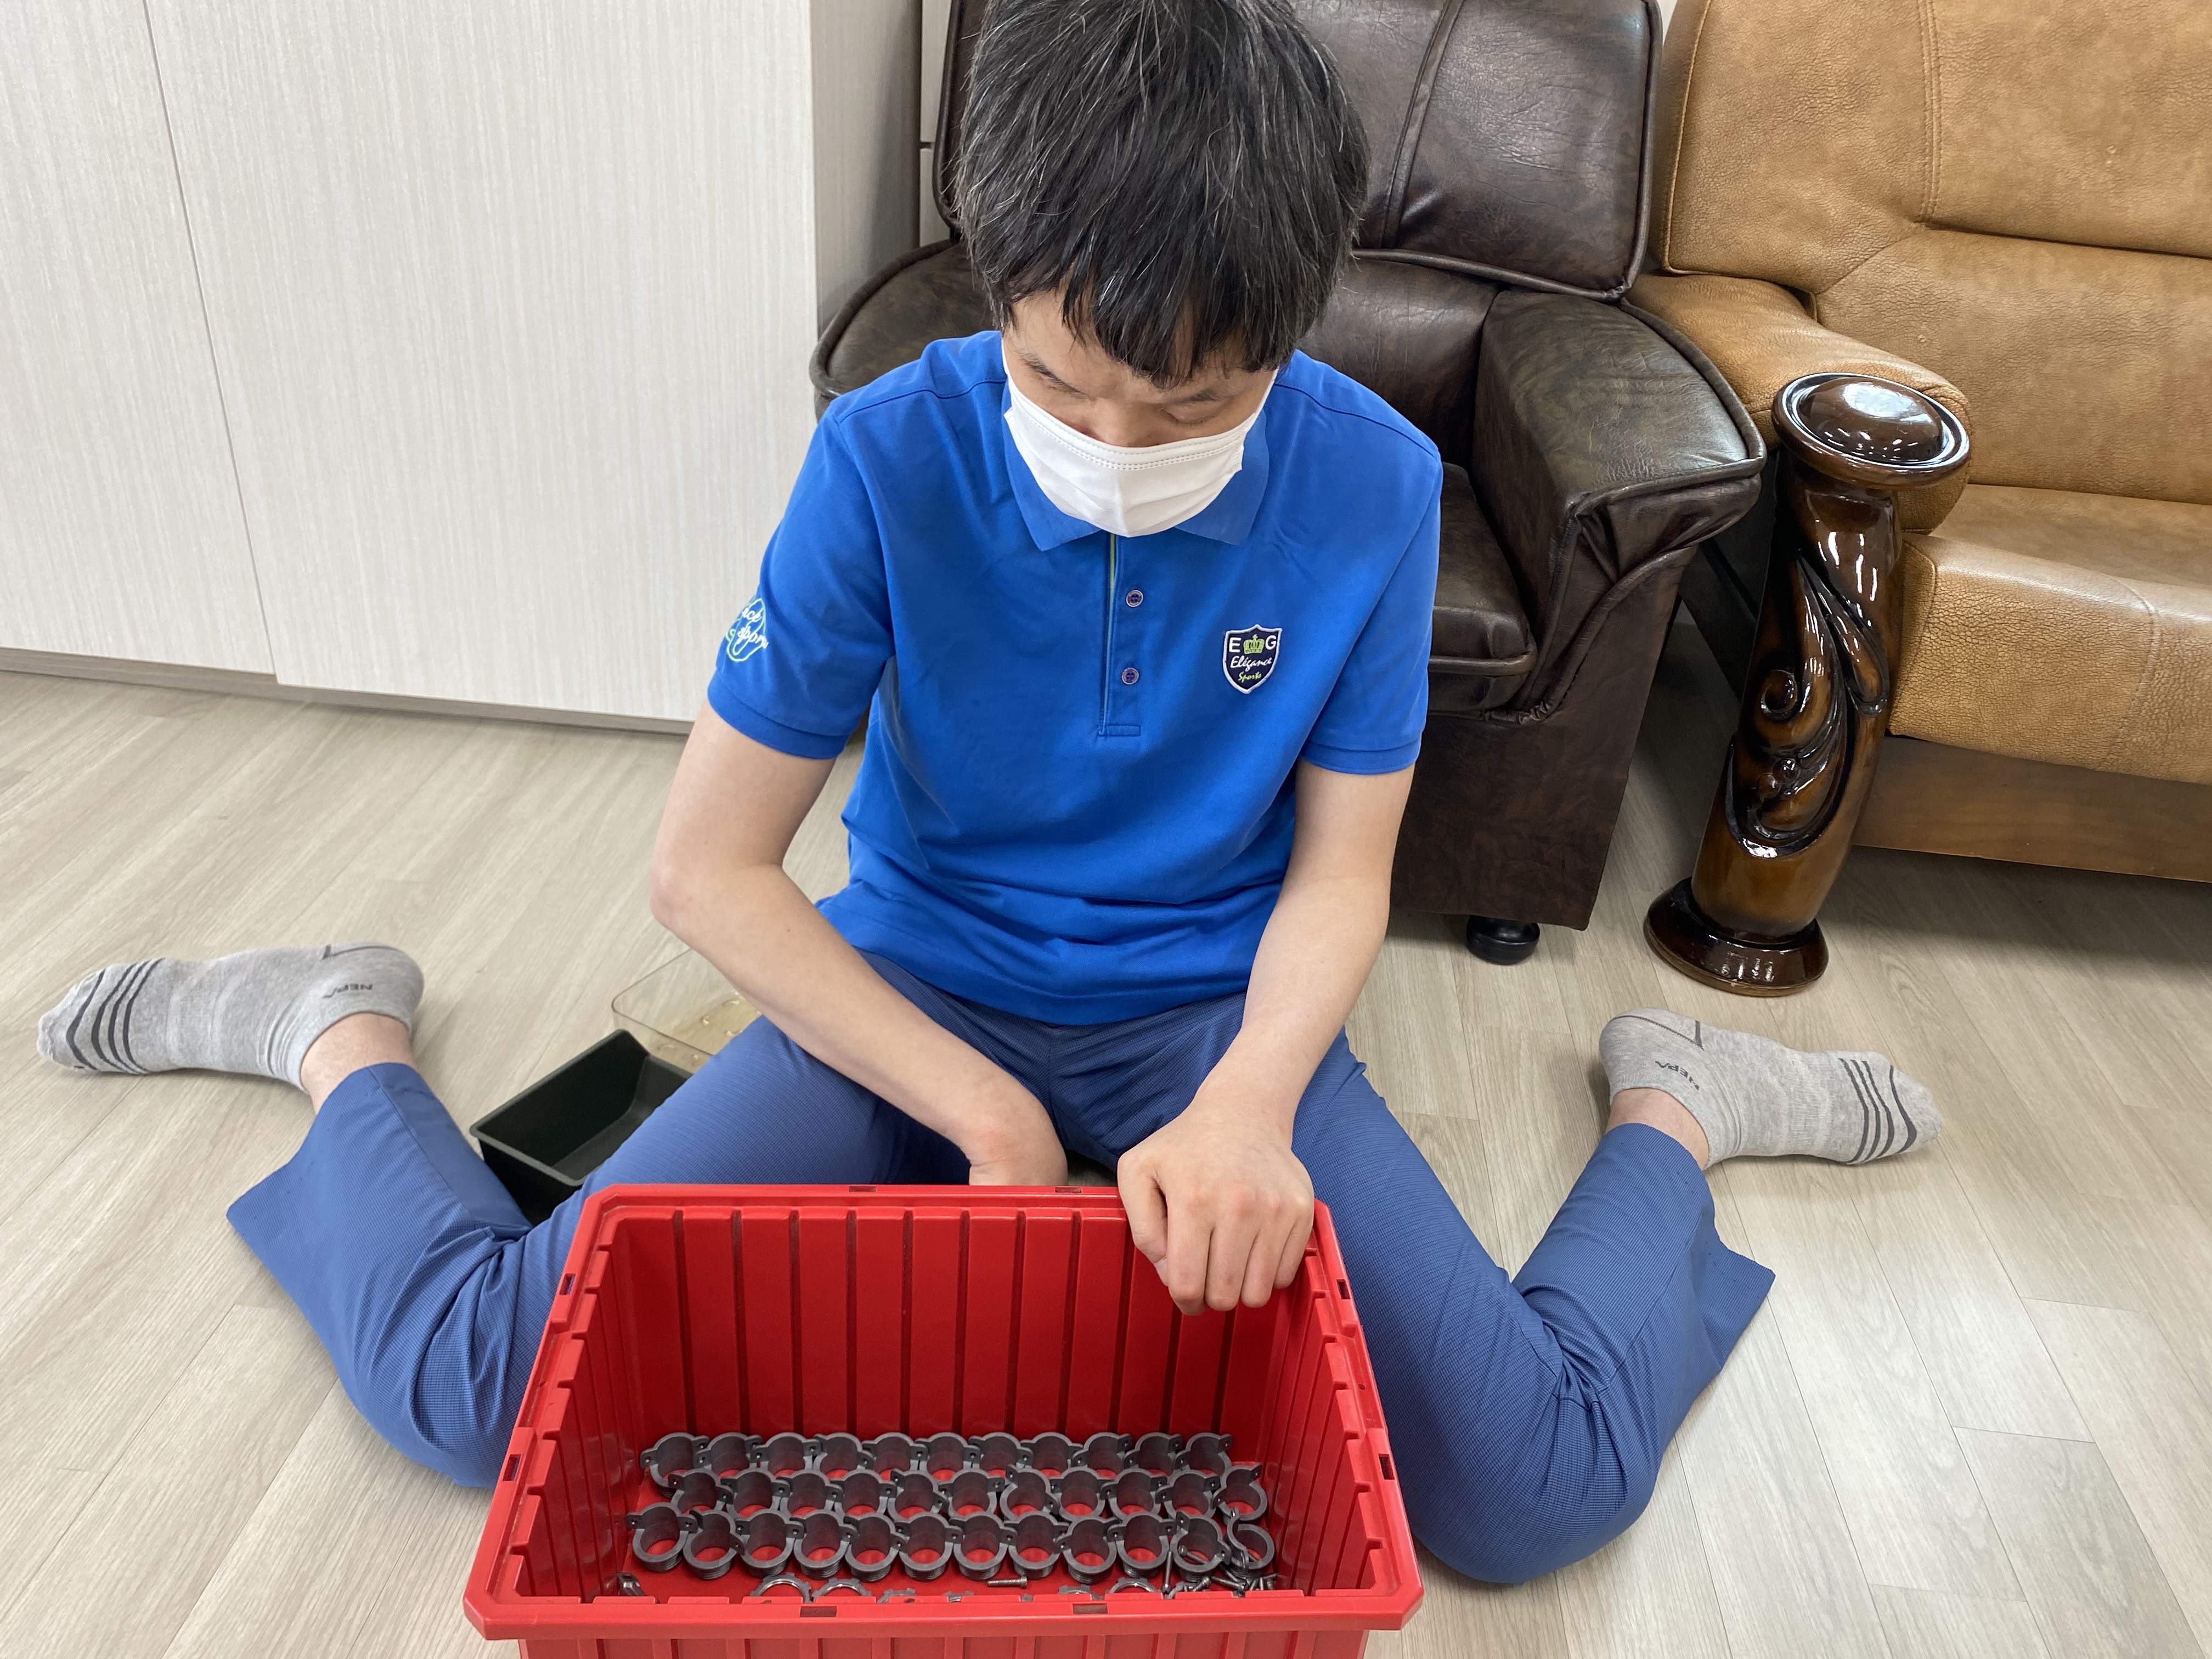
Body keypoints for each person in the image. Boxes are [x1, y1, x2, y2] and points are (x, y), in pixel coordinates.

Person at [33, 0, 1939, 1585]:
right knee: (478, 1393)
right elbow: (708, 871)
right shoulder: (885, 458)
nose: (1114, 444)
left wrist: (1251, 1106)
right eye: (1060, 381)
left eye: (1192, 408)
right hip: (917, 988)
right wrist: (981, 1107)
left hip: (1208, 1017)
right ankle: (336, 1031)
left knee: (1537, 1493)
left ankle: (1677, 1108)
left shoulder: (1367, 483)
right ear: (995, 294)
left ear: (1295, 331)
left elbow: (1344, 871)